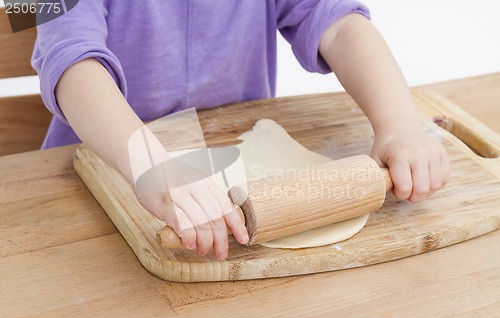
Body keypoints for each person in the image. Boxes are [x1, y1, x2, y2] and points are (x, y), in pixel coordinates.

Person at [32, 1, 450, 261]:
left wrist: (398, 124)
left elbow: (338, 22)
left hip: (233, 170)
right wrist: (149, 163)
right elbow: (68, 58)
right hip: (91, 183)